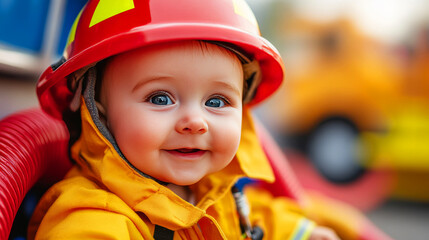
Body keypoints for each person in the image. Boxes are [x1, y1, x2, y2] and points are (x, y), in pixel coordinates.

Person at [28, 0, 340, 239]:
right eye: (160, 98)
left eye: (216, 102)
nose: (195, 122)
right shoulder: (91, 218)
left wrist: (301, 232)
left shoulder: (215, 190)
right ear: (96, 107)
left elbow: (253, 218)